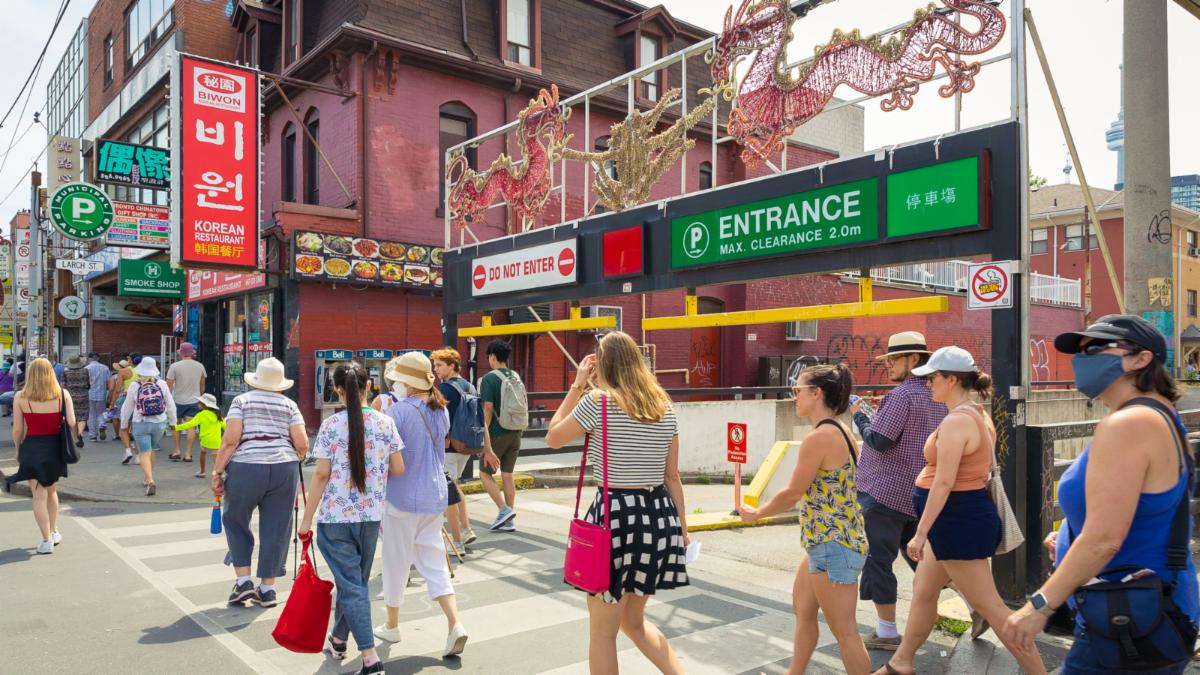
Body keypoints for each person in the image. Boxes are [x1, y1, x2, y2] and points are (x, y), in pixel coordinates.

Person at [1007, 316, 1200, 674]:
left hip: (1129, 614)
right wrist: (1067, 535)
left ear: (1141, 359)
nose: (1082, 358)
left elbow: (1104, 540)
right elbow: (1146, 510)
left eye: (1095, 348)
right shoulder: (1163, 416)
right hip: (1155, 606)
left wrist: (1039, 606)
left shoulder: (1127, 424)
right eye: (1079, 351)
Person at [873, 347, 1045, 675]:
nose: (928, 384)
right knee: (924, 592)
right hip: (955, 519)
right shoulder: (975, 413)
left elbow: (943, 483)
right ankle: (901, 663)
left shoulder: (956, 422)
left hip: (955, 521)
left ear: (951, 379)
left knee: (994, 609)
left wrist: (920, 534)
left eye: (933, 378)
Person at [546, 331, 689, 674]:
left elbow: (552, 437)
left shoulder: (598, 403)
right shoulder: (663, 407)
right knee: (634, 621)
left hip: (616, 517)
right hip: (659, 518)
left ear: (602, 365)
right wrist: (683, 528)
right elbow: (672, 476)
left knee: (603, 632)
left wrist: (577, 385)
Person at [741, 364, 870, 674]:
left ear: (817, 393)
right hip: (825, 542)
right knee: (804, 609)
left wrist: (757, 514)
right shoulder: (840, 429)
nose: (794, 397)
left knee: (846, 632)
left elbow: (793, 491)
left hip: (833, 544)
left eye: (797, 390)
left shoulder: (821, 437)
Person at [299, 362, 404, 674]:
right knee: (354, 582)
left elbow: (320, 475)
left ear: (338, 390)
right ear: (368, 387)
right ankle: (338, 639)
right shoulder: (385, 423)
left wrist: (305, 522)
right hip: (370, 517)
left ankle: (370, 659)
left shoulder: (331, 427)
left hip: (334, 519)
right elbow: (398, 469)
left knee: (353, 586)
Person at [849, 332, 951, 649]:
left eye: (894, 358)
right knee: (924, 560)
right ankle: (976, 605)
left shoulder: (901, 395)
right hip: (920, 492)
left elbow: (879, 440)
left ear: (913, 360)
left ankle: (887, 631)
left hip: (884, 491)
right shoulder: (938, 396)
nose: (889, 364)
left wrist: (861, 416)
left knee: (879, 561)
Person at [374, 352, 469, 658]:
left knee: (395, 561)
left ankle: (392, 624)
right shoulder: (440, 410)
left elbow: (389, 455)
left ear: (406, 383)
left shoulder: (398, 412)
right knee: (434, 562)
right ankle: (455, 623)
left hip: (402, 495)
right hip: (434, 494)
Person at [211, 357, 308, 608]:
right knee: (277, 527)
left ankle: (243, 583)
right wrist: (291, 457)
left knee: (236, 520)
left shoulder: (241, 401)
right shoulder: (290, 405)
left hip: (246, 467)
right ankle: (267, 589)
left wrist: (217, 472)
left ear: (256, 381)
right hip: (284, 468)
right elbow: (302, 443)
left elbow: (231, 439)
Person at [3, 358, 78, 553]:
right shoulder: (63, 394)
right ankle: (53, 531)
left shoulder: (21, 396)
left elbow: (18, 429)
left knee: (38, 496)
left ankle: (46, 541)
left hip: (32, 447)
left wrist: (18, 449)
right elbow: (71, 422)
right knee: (52, 491)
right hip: (55, 448)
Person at [432, 346, 479, 553]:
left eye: (440, 365)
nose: (436, 369)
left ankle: (458, 540)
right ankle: (465, 529)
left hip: (449, 446)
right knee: (455, 487)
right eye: (435, 365)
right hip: (467, 445)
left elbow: (438, 419)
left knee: (449, 493)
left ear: (452, 366)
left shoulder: (445, 389)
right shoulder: (470, 386)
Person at [478, 340, 525, 532]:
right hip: (516, 431)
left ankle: (504, 510)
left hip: (497, 433)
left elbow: (487, 408)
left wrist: (484, 432)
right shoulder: (515, 376)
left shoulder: (489, 378)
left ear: (492, 356)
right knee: (507, 474)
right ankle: (509, 519)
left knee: (484, 473)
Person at [120, 357, 178, 497]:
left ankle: (150, 479)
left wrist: (123, 424)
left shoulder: (135, 386)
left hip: (140, 423)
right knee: (151, 449)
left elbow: (127, 407)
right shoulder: (162, 384)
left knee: (144, 452)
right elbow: (170, 405)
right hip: (159, 423)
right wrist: (173, 422)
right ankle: (148, 477)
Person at [166, 342, 207, 462]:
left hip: (177, 400)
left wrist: (166, 400)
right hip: (194, 400)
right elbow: (202, 385)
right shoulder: (200, 366)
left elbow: (169, 385)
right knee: (191, 427)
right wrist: (199, 396)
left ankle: (177, 450)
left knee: (176, 426)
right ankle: (188, 453)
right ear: (192, 353)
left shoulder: (174, 366)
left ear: (181, 353)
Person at [174, 393, 225, 479]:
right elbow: (226, 426)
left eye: (199, 403)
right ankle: (219, 473)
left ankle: (202, 472)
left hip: (204, 440)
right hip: (216, 440)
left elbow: (190, 424)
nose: (197, 404)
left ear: (204, 405)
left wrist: (176, 427)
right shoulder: (218, 415)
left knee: (203, 453)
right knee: (216, 457)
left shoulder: (201, 415)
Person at [62, 355, 91, 442]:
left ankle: (75, 439)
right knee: (83, 417)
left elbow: (63, 385)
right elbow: (88, 383)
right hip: (83, 395)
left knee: (72, 416)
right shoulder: (85, 371)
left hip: (70, 396)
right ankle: (80, 432)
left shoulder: (66, 372)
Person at [84, 353, 110, 441]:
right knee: (101, 412)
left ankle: (93, 436)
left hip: (90, 393)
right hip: (102, 394)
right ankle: (102, 424)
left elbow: (85, 382)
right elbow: (108, 382)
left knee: (91, 414)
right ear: (98, 358)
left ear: (89, 358)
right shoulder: (105, 368)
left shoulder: (86, 369)